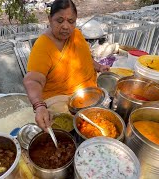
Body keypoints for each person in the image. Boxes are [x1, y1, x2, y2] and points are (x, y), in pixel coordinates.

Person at [23, 0, 109, 131]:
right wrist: (40, 107)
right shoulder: (43, 46)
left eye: (71, 21)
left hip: (89, 93)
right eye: (60, 20)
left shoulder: (77, 35)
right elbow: (33, 80)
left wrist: (99, 67)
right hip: (62, 101)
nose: (65, 26)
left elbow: (85, 57)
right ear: (50, 19)